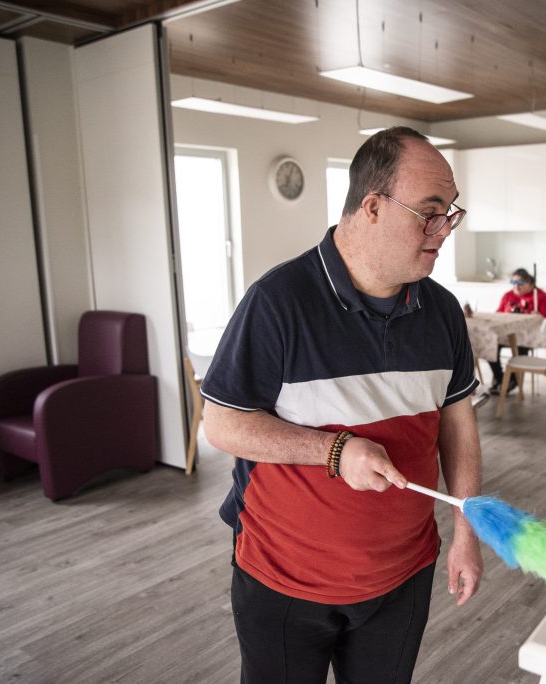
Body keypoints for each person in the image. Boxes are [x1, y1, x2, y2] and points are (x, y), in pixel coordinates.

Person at [200, 127, 484, 684]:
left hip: (404, 577)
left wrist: (466, 533)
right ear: (372, 207)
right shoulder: (278, 302)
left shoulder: (444, 312)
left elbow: (459, 428)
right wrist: (335, 450)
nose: (444, 230)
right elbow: (222, 424)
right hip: (284, 581)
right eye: (429, 213)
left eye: (450, 213)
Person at [487, 267, 546, 394]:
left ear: (530, 283)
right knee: (489, 345)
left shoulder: (541, 297)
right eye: (513, 282)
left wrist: (540, 316)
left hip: (528, 339)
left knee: (521, 347)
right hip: (507, 335)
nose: (516, 286)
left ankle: (512, 381)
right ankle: (501, 379)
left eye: (520, 283)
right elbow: (498, 314)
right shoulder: (508, 296)